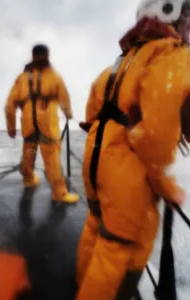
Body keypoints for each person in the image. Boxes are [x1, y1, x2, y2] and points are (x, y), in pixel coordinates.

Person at [76, 0, 190, 298]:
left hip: (96, 156)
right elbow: (156, 135)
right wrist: (164, 185)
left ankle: (80, 284)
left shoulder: (121, 61)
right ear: (172, 17)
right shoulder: (172, 55)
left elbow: (91, 111)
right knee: (116, 250)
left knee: (95, 226)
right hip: (128, 169)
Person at [5, 44, 79, 203]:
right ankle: (60, 194)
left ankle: (28, 179)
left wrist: (11, 127)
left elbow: (9, 105)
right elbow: (64, 99)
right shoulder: (54, 76)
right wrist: (68, 114)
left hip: (28, 124)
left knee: (28, 151)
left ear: (32, 56)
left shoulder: (22, 78)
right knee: (52, 159)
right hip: (48, 124)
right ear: (47, 55)